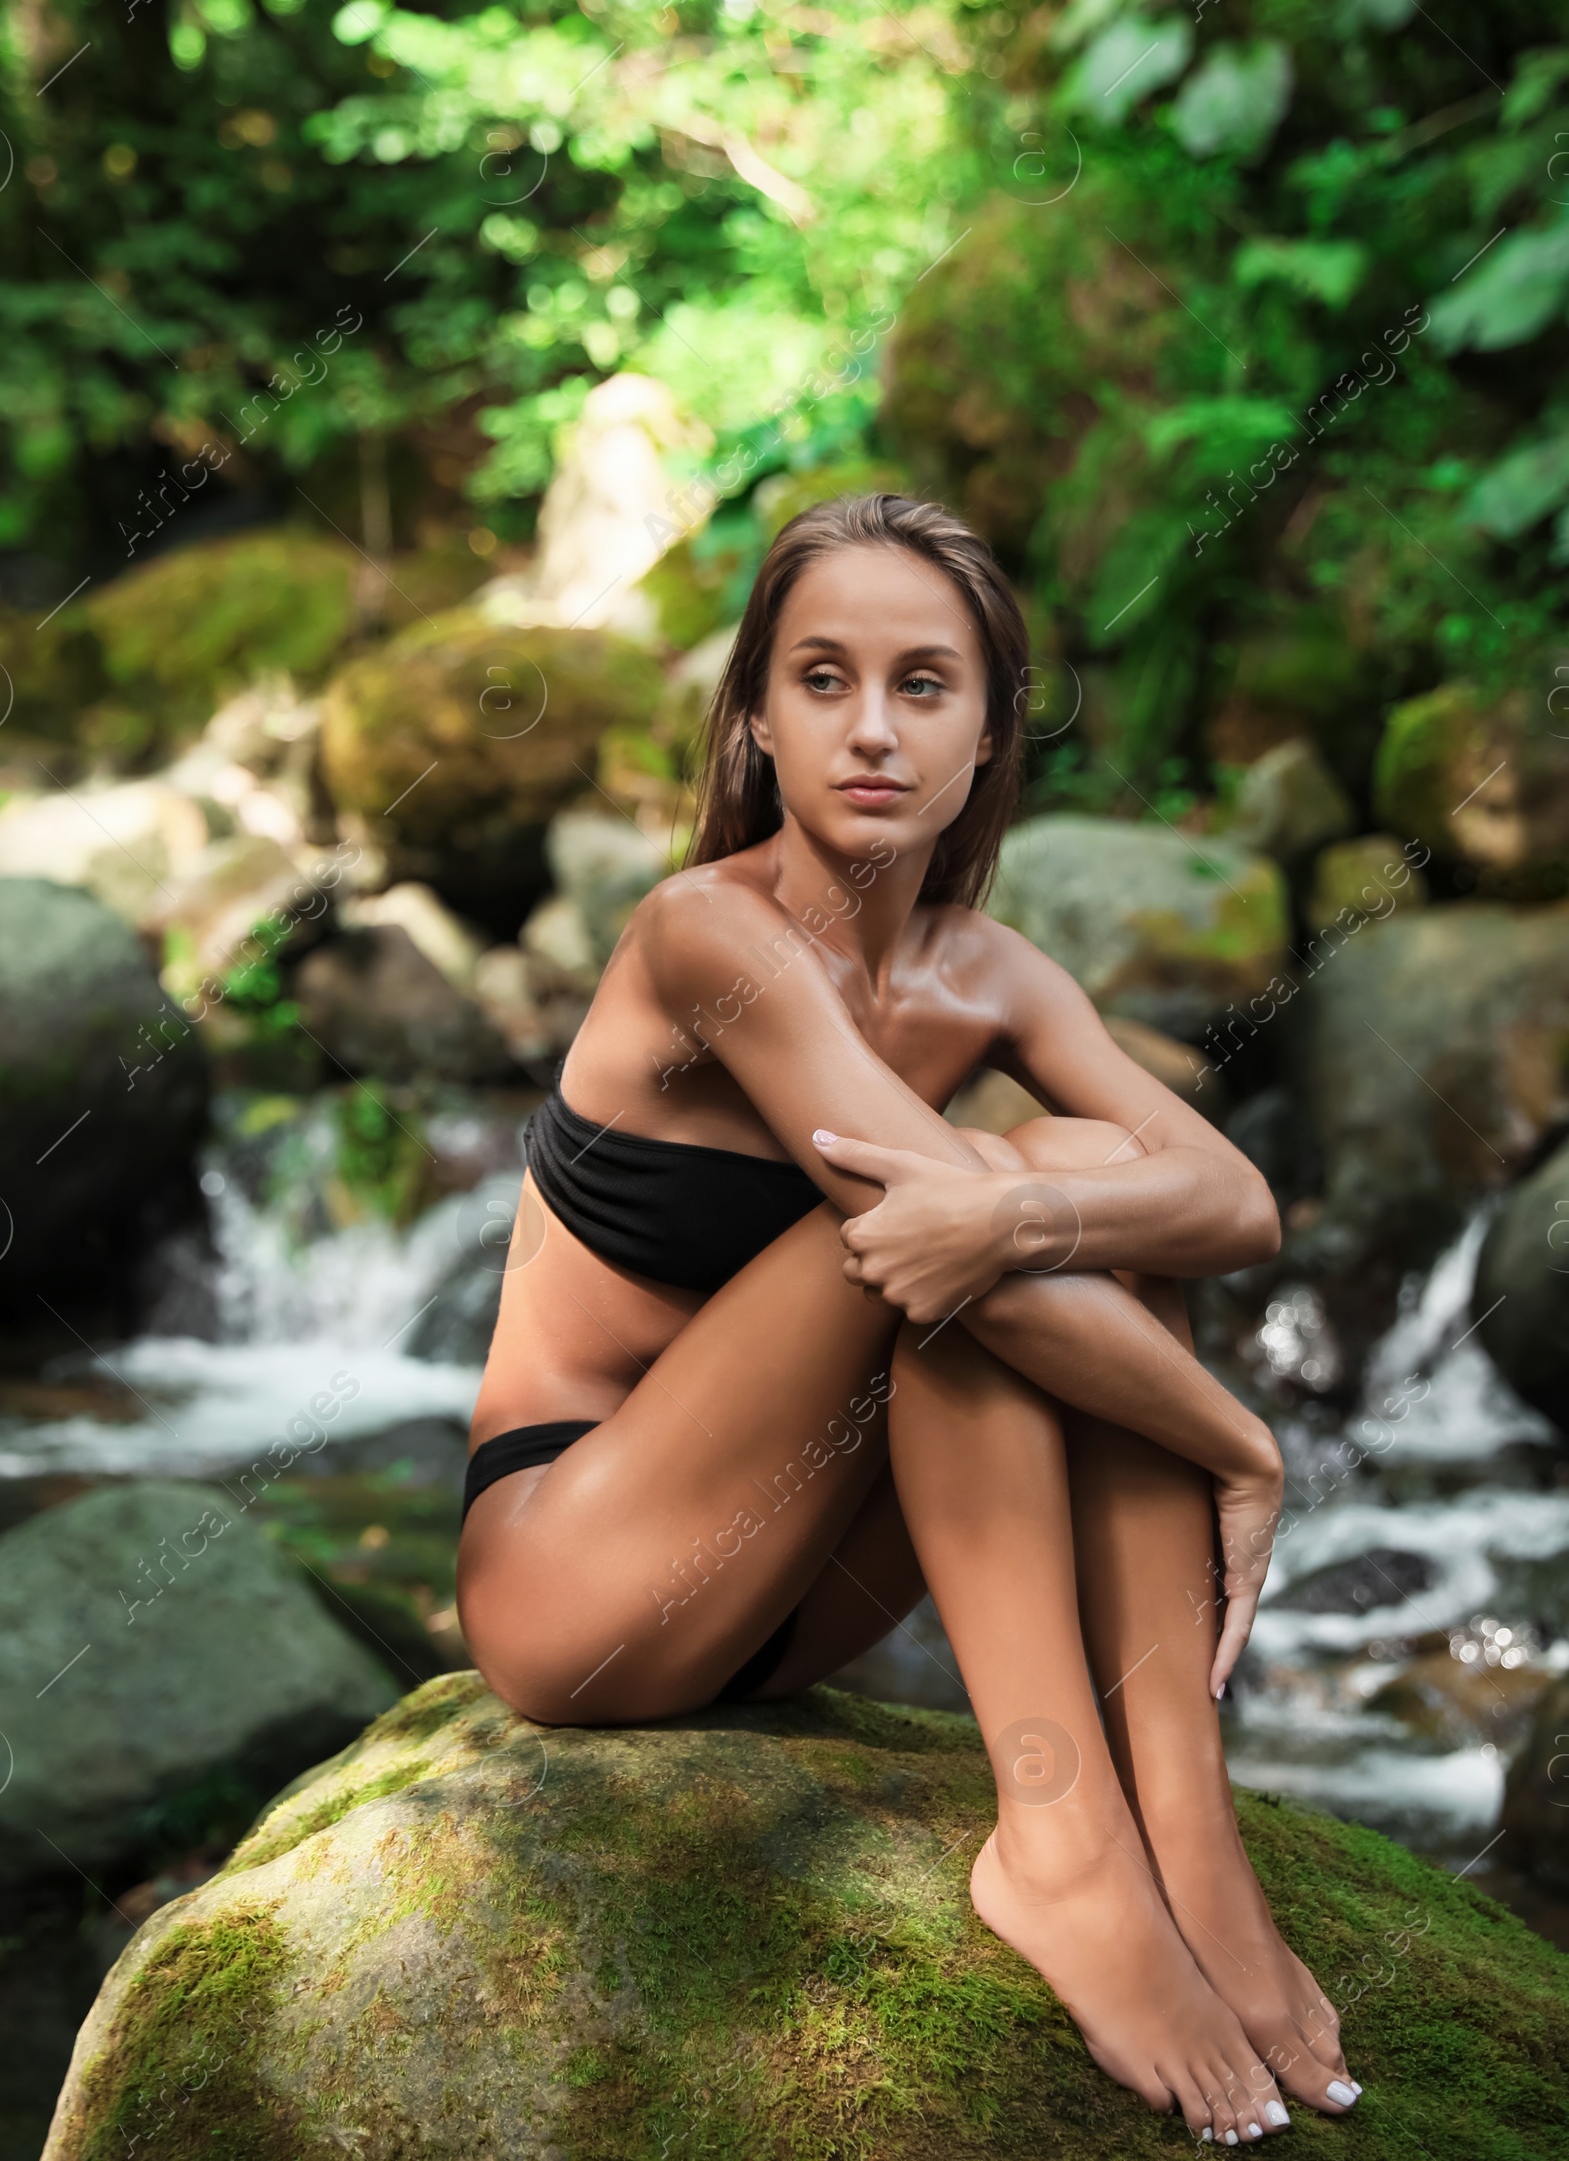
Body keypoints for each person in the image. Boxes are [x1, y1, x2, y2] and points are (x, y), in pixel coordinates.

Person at [458, 494, 1360, 2138]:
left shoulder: (989, 973)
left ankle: (1185, 1822)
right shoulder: (700, 936)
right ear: (756, 717)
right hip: (578, 1575)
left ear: (990, 731)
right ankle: (1062, 1850)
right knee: (953, 1228)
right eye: (822, 678)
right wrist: (1235, 1440)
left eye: (924, 685)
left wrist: (1029, 1203)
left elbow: (1236, 1201)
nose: (871, 728)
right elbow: (924, 1236)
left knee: (1057, 1179)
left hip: (791, 1594)